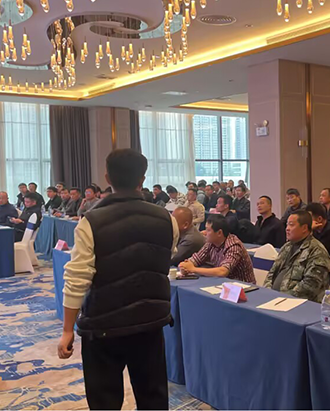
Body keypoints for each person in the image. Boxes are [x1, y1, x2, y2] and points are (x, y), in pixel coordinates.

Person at [57, 149, 178, 410]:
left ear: (107, 178)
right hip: (150, 322)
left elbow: (77, 279)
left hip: (103, 325)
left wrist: (67, 330)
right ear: (142, 179)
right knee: (153, 398)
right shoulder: (168, 219)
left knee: (105, 401)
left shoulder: (91, 221)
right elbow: (165, 258)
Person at [264, 211, 330, 302]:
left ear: (304, 228)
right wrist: (268, 292)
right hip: (274, 298)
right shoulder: (286, 247)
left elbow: (310, 286)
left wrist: (281, 298)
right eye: (287, 225)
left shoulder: (317, 251)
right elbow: (271, 273)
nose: (287, 229)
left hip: (299, 303)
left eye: (291, 225)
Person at [179, 215, 256, 283]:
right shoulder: (211, 243)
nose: (204, 233)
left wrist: (193, 269)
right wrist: (185, 266)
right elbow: (196, 259)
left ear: (219, 233)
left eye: (208, 230)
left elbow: (223, 271)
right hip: (224, 284)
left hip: (243, 287)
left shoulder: (233, 245)